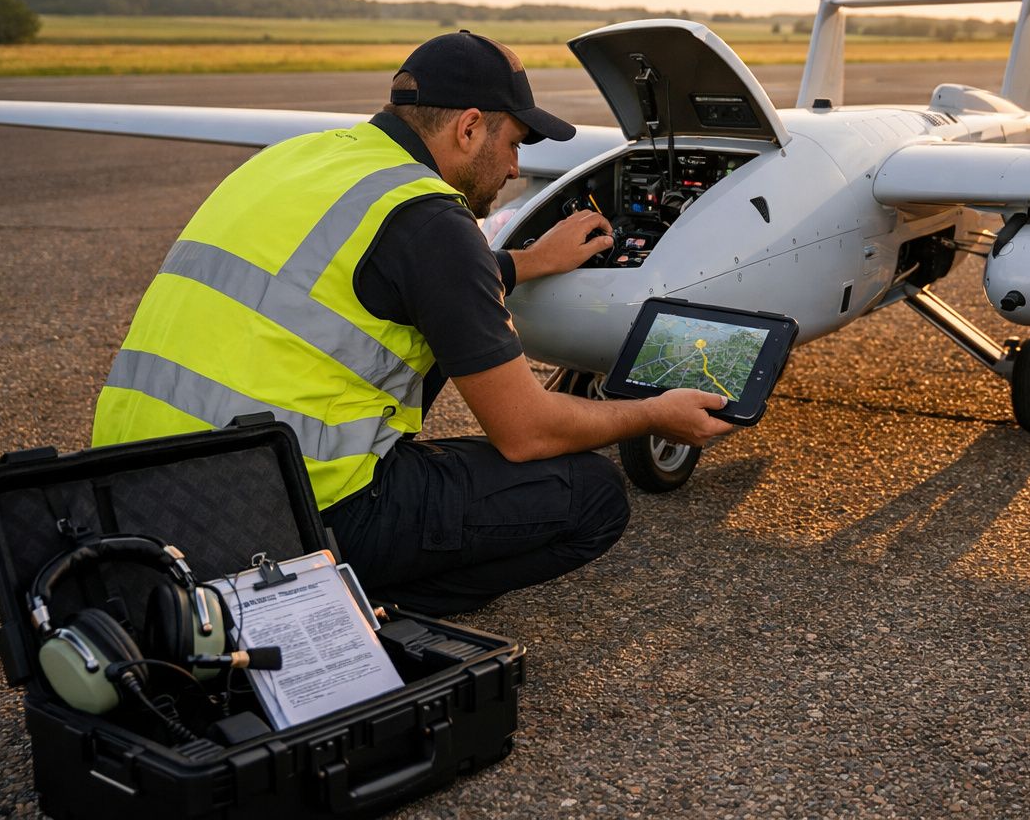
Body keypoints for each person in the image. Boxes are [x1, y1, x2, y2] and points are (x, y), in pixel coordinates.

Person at [92, 31, 733, 614]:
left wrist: (525, 262)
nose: (516, 168)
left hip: (131, 497)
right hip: (278, 517)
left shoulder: (296, 158)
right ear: (470, 128)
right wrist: (653, 413)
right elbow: (527, 432)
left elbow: (377, 270)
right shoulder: (430, 218)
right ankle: (343, 606)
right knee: (593, 497)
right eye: (514, 143)